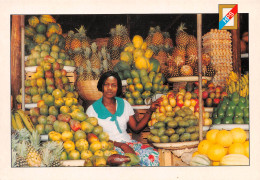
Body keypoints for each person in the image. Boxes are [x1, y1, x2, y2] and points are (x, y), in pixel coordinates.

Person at [86, 71, 161, 166]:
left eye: (113, 85)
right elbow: (93, 139)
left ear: (118, 88)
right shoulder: (92, 110)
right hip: (109, 148)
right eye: (106, 85)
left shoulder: (124, 104)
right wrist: (121, 145)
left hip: (129, 143)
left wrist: (150, 110)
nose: (110, 88)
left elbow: (136, 128)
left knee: (155, 156)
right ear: (101, 86)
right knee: (126, 165)